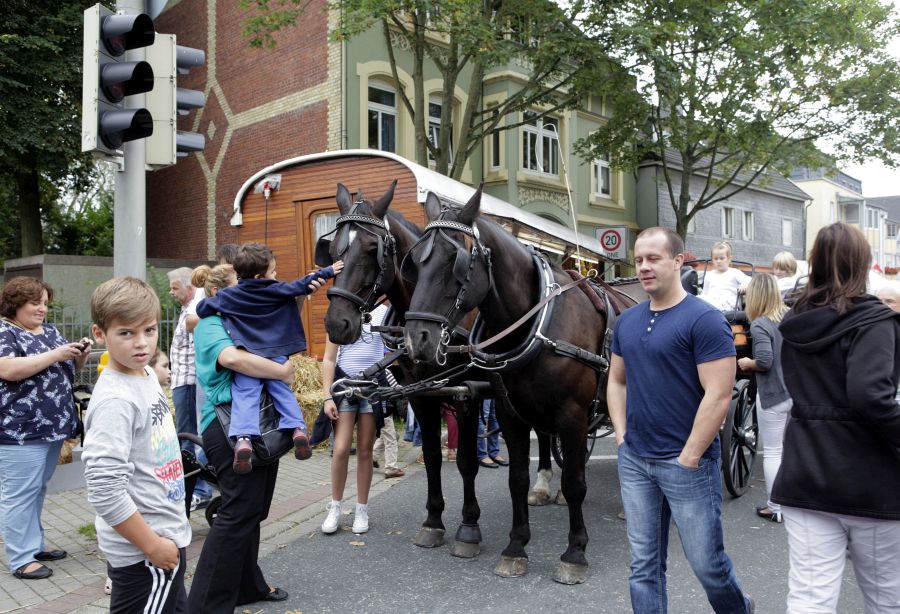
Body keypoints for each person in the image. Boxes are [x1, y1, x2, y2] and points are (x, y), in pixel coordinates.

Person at [608, 227, 753, 614]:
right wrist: (621, 437)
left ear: (678, 261)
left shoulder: (705, 320)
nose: (643, 267)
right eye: (639, 260)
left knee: (708, 566)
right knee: (643, 567)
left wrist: (689, 456)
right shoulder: (627, 321)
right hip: (636, 459)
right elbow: (617, 381)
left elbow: (719, 394)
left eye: (653, 258)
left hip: (688, 463)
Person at [774, 222, 900, 613]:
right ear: (862, 263)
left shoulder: (796, 321)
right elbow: (870, 395)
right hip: (870, 479)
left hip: (805, 470)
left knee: (810, 598)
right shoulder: (874, 321)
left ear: (815, 262)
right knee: (886, 598)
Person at [187, 263, 303, 611]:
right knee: (237, 513)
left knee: (254, 510)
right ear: (217, 293)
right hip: (227, 429)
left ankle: (248, 586)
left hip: (262, 426)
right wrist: (282, 371)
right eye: (242, 284)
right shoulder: (209, 324)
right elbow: (233, 359)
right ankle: (204, 605)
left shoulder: (246, 318)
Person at [82, 277, 191, 613]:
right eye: (126, 333)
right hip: (146, 554)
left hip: (163, 538)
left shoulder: (144, 375)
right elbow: (104, 490)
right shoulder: (116, 401)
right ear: (100, 334)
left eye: (149, 330)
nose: (142, 343)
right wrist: (152, 545)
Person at [197, 243, 341, 473]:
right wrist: (329, 271)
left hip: (249, 355)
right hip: (275, 355)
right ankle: (298, 428)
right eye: (272, 272)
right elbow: (302, 285)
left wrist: (223, 308)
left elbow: (202, 307)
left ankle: (243, 438)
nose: (275, 275)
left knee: (245, 394)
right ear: (259, 276)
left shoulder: (230, 295)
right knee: (282, 391)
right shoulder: (275, 289)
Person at [0, 277, 92, 580]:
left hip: (52, 427)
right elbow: (8, 369)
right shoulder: (5, 331)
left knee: (37, 489)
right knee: (19, 494)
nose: (42, 309)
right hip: (20, 431)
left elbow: (66, 369)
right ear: (15, 304)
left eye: (45, 303)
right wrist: (56, 353)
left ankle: (35, 545)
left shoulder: (50, 331)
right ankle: (21, 558)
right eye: (35, 303)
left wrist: (79, 356)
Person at [320, 304, 388, 535]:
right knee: (340, 449)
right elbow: (329, 359)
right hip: (345, 385)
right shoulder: (341, 311)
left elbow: (392, 346)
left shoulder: (383, 312)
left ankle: (361, 509)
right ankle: (335, 507)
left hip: (371, 386)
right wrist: (327, 397)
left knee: (365, 451)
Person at [737, 274, 792, 524]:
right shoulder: (788, 317)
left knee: (772, 452)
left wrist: (748, 362)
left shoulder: (760, 324)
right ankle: (790, 503)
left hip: (773, 395)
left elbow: (765, 361)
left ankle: (775, 507)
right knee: (788, 450)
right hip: (793, 392)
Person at [167, 267, 198, 450]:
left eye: (175, 288)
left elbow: (196, 349)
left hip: (188, 382)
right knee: (186, 433)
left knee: (187, 436)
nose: (171, 292)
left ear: (189, 288)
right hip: (182, 381)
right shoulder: (186, 310)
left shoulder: (193, 313)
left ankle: (189, 467)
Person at [699, 241, 751, 312]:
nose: (718, 261)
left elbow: (750, 281)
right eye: (715, 259)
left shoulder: (734, 272)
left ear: (729, 259)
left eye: (721, 258)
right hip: (711, 303)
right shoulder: (709, 275)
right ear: (712, 260)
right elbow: (705, 293)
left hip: (728, 305)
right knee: (698, 300)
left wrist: (744, 285)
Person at [477, 399, 507, 468]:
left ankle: (493, 453)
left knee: (495, 416)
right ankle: (481, 454)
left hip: (496, 391)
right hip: (483, 391)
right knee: (482, 416)